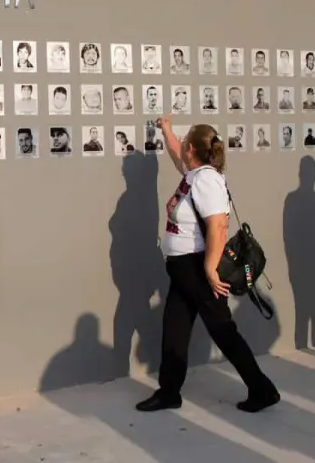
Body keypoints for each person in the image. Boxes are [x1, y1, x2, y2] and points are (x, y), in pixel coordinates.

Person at [135, 112, 279, 414]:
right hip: (183, 269)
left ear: (193, 149)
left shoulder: (208, 180)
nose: (182, 145)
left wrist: (210, 269)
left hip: (198, 267)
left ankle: (262, 389)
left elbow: (218, 226)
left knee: (223, 330)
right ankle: (169, 391)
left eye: (185, 140)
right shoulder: (193, 174)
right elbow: (177, 157)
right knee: (174, 326)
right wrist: (167, 130)